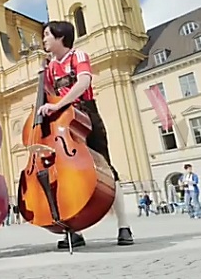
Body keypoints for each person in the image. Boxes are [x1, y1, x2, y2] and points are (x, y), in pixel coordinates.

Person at [38, 21, 134, 249]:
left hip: (85, 114)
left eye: (47, 35)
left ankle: (124, 225)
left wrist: (59, 103)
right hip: (62, 121)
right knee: (65, 173)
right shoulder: (50, 67)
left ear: (61, 37)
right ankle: (74, 230)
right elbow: (47, 96)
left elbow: (83, 82)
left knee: (107, 168)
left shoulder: (77, 56)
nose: (44, 40)